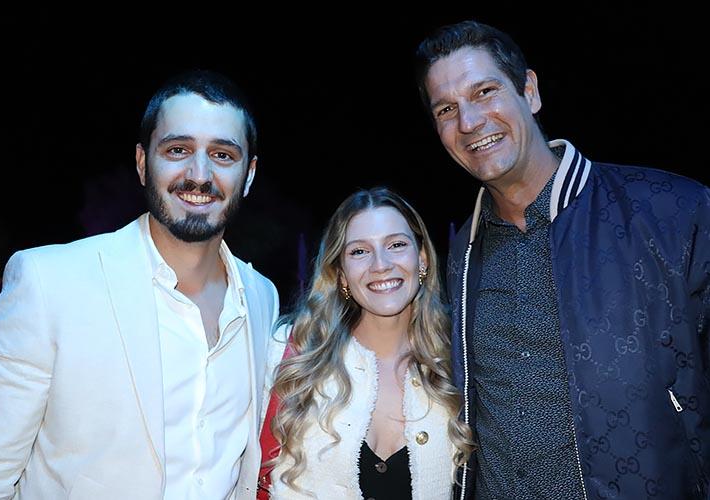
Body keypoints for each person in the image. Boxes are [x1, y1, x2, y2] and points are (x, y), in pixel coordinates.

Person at [415, 20, 710, 500]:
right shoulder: (463, 254)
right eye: (446, 109)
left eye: (485, 92)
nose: (469, 122)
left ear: (529, 91)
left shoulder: (672, 212)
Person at [0, 70, 279, 499]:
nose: (199, 174)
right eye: (178, 150)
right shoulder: (50, 283)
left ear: (249, 173)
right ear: (143, 163)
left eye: (222, 155)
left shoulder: (261, 298)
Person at [259, 187, 474, 499]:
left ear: (422, 259)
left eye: (396, 245)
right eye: (359, 251)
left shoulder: (460, 362)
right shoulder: (292, 356)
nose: (381, 264)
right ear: (341, 275)